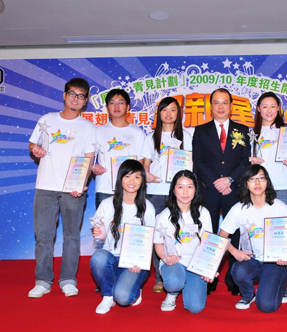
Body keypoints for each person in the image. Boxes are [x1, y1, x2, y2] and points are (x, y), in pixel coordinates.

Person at [28, 78, 95, 298]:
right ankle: (43, 280)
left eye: (81, 96)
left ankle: (68, 279)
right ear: (64, 95)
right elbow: (33, 144)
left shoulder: (87, 127)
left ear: (85, 101)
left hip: (72, 190)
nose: (76, 99)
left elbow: (89, 158)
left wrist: (82, 184)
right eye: (73, 94)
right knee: (44, 237)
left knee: (72, 237)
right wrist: (35, 150)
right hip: (46, 187)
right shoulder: (46, 120)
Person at [192, 88, 251, 294]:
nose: (220, 106)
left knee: (233, 235)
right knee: (209, 235)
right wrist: (215, 182)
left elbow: (245, 160)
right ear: (210, 106)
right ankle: (208, 278)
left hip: (233, 191)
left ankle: (234, 280)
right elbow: (197, 161)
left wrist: (230, 180)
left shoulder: (242, 130)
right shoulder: (201, 130)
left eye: (224, 102)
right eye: (216, 102)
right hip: (209, 191)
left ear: (231, 105)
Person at [219, 165, 287, 312]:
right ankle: (248, 295)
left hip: (275, 261)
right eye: (252, 179)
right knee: (238, 270)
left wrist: (286, 255)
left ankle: (280, 285)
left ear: (267, 182)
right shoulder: (239, 209)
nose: (257, 183)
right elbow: (222, 236)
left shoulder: (280, 207)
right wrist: (234, 251)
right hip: (253, 260)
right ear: (246, 183)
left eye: (261, 178)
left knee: (266, 306)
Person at [89, 160, 156, 314]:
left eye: (137, 177)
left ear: (142, 181)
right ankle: (107, 295)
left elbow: (149, 242)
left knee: (124, 298)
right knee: (98, 257)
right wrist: (99, 236)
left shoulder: (148, 208)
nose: (132, 181)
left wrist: (140, 262)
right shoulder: (106, 204)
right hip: (111, 258)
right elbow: (99, 243)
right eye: (127, 176)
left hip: (133, 262)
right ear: (120, 179)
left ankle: (132, 288)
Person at [142, 97, 192, 293]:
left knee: (177, 234)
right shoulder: (151, 137)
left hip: (178, 194)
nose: (168, 114)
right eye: (164, 110)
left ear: (178, 113)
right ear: (159, 113)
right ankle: (159, 276)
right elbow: (145, 165)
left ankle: (180, 271)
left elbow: (190, 165)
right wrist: (146, 173)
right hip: (155, 192)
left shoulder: (186, 136)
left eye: (173, 110)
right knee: (157, 236)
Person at [153, 170, 213, 313]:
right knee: (173, 282)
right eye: (180, 187)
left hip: (195, 264)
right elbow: (158, 244)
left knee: (195, 308)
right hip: (174, 262)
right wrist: (166, 258)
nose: (185, 192)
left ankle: (188, 283)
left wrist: (210, 267)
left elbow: (208, 243)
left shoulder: (203, 213)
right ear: (173, 190)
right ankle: (172, 293)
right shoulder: (163, 216)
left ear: (195, 189)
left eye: (190, 186)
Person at [92, 88, 146, 209]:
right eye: (112, 103)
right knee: (103, 227)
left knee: (128, 226)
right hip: (105, 188)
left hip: (130, 190)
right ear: (107, 107)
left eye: (121, 102)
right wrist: (94, 167)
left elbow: (140, 164)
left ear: (127, 107)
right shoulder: (98, 131)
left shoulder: (138, 133)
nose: (116, 106)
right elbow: (90, 158)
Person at [250, 92, 287, 204]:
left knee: (284, 221)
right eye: (265, 107)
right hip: (259, 187)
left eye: (273, 106)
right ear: (259, 109)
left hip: (283, 186)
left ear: (278, 108)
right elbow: (244, 158)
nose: (269, 110)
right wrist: (251, 161)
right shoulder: (251, 133)